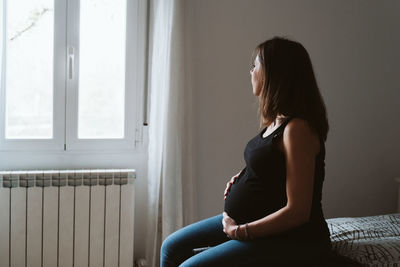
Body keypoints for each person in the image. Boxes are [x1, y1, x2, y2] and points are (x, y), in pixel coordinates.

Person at [161, 37, 331, 266]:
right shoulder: (276, 122)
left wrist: (241, 231)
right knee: (171, 247)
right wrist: (245, 176)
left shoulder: (297, 128)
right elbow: (274, 167)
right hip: (250, 219)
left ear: (274, 73)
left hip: (292, 239)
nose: (250, 71)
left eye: (255, 65)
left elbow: (298, 211)